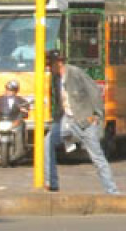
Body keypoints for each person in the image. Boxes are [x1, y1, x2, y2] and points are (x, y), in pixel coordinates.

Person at [45, 48, 118, 196]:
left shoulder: (75, 73)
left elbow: (95, 91)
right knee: (47, 143)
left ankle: (112, 191)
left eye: (50, 64)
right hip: (67, 121)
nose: (49, 68)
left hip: (84, 120)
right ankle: (52, 182)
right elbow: (60, 101)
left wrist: (97, 115)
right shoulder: (56, 78)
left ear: (58, 63)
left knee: (97, 157)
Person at [0, 78, 27, 167]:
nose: (9, 92)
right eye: (8, 89)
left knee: (23, 128)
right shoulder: (0, 99)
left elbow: (26, 107)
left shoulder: (21, 100)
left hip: (14, 121)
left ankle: (22, 151)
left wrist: (24, 110)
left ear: (16, 91)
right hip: (2, 120)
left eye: (12, 90)